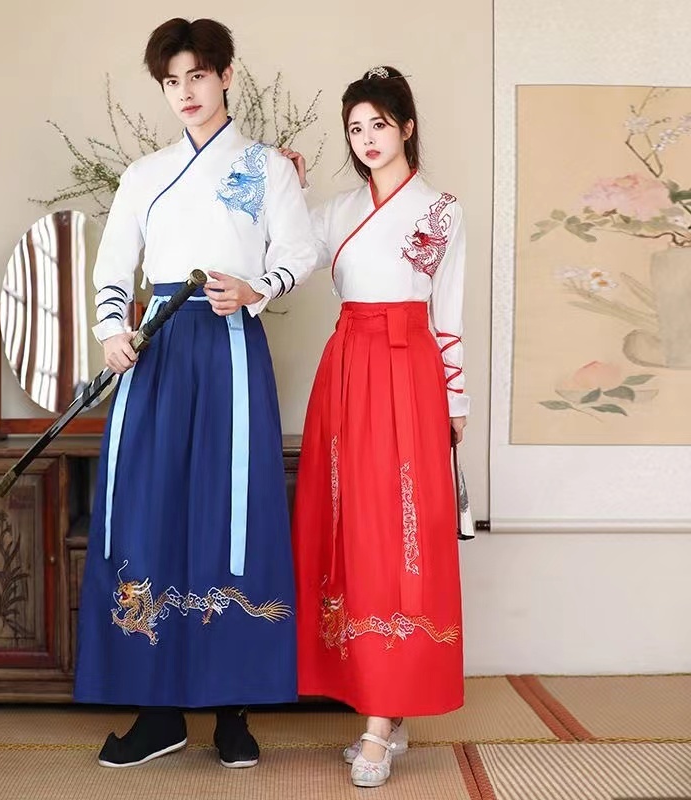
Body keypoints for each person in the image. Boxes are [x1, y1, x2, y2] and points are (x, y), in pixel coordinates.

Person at [74, 17, 318, 771]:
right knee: (147, 509)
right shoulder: (145, 174)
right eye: (172, 81)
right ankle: (157, 710)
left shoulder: (266, 167)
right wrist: (112, 330)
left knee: (230, 508)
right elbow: (114, 264)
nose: (185, 92)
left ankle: (234, 709)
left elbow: (301, 249)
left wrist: (257, 287)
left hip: (230, 342)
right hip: (156, 348)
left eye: (198, 76)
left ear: (226, 76)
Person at [284, 65, 469, 788]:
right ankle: (379, 705)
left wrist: (455, 403)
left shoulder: (442, 211)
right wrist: (288, 188)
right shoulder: (335, 211)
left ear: (407, 128)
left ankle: (381, 723)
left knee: (402, 534)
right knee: (351, 528)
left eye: (379, 125)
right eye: (355, 129)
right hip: (348, 367)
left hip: (410, 368)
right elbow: (288, 255)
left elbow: (448, 311)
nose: (366, 139)